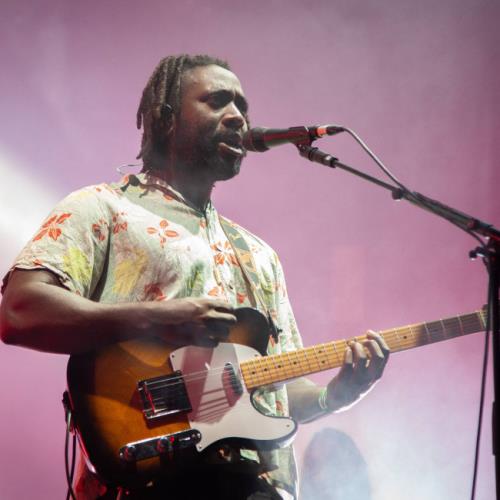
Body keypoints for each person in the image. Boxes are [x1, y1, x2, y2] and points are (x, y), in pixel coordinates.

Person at [0, 54, 389, 499]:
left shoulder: (260, 256)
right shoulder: (102, 209)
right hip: (146, 481)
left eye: (242, 106)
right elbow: (20, 312)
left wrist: (334, 396)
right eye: (218, 101)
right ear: (165, 118)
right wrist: (160, 318)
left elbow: (274, 389)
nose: (238, 116)